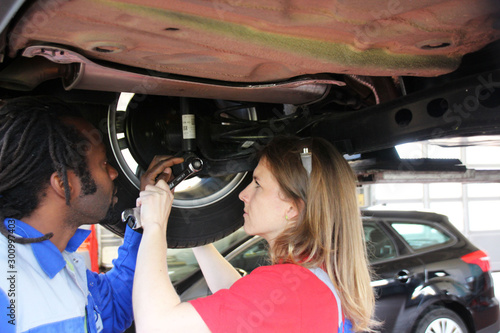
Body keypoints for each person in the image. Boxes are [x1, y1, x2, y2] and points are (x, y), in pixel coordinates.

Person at [133, 136, 377, 332]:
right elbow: (239, 297)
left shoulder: (288, 288)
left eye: (258, 184)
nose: (243, 194)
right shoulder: (315, 278)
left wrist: (154, 224)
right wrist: (194, 231)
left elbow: (155, 326)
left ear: (292, 207)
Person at [0, 96, 183, 332]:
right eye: (103, 163)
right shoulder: (7, 283)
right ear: (64, 184)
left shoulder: (64, 266)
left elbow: (115, 308)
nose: (114, 173)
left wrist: (144, 218)